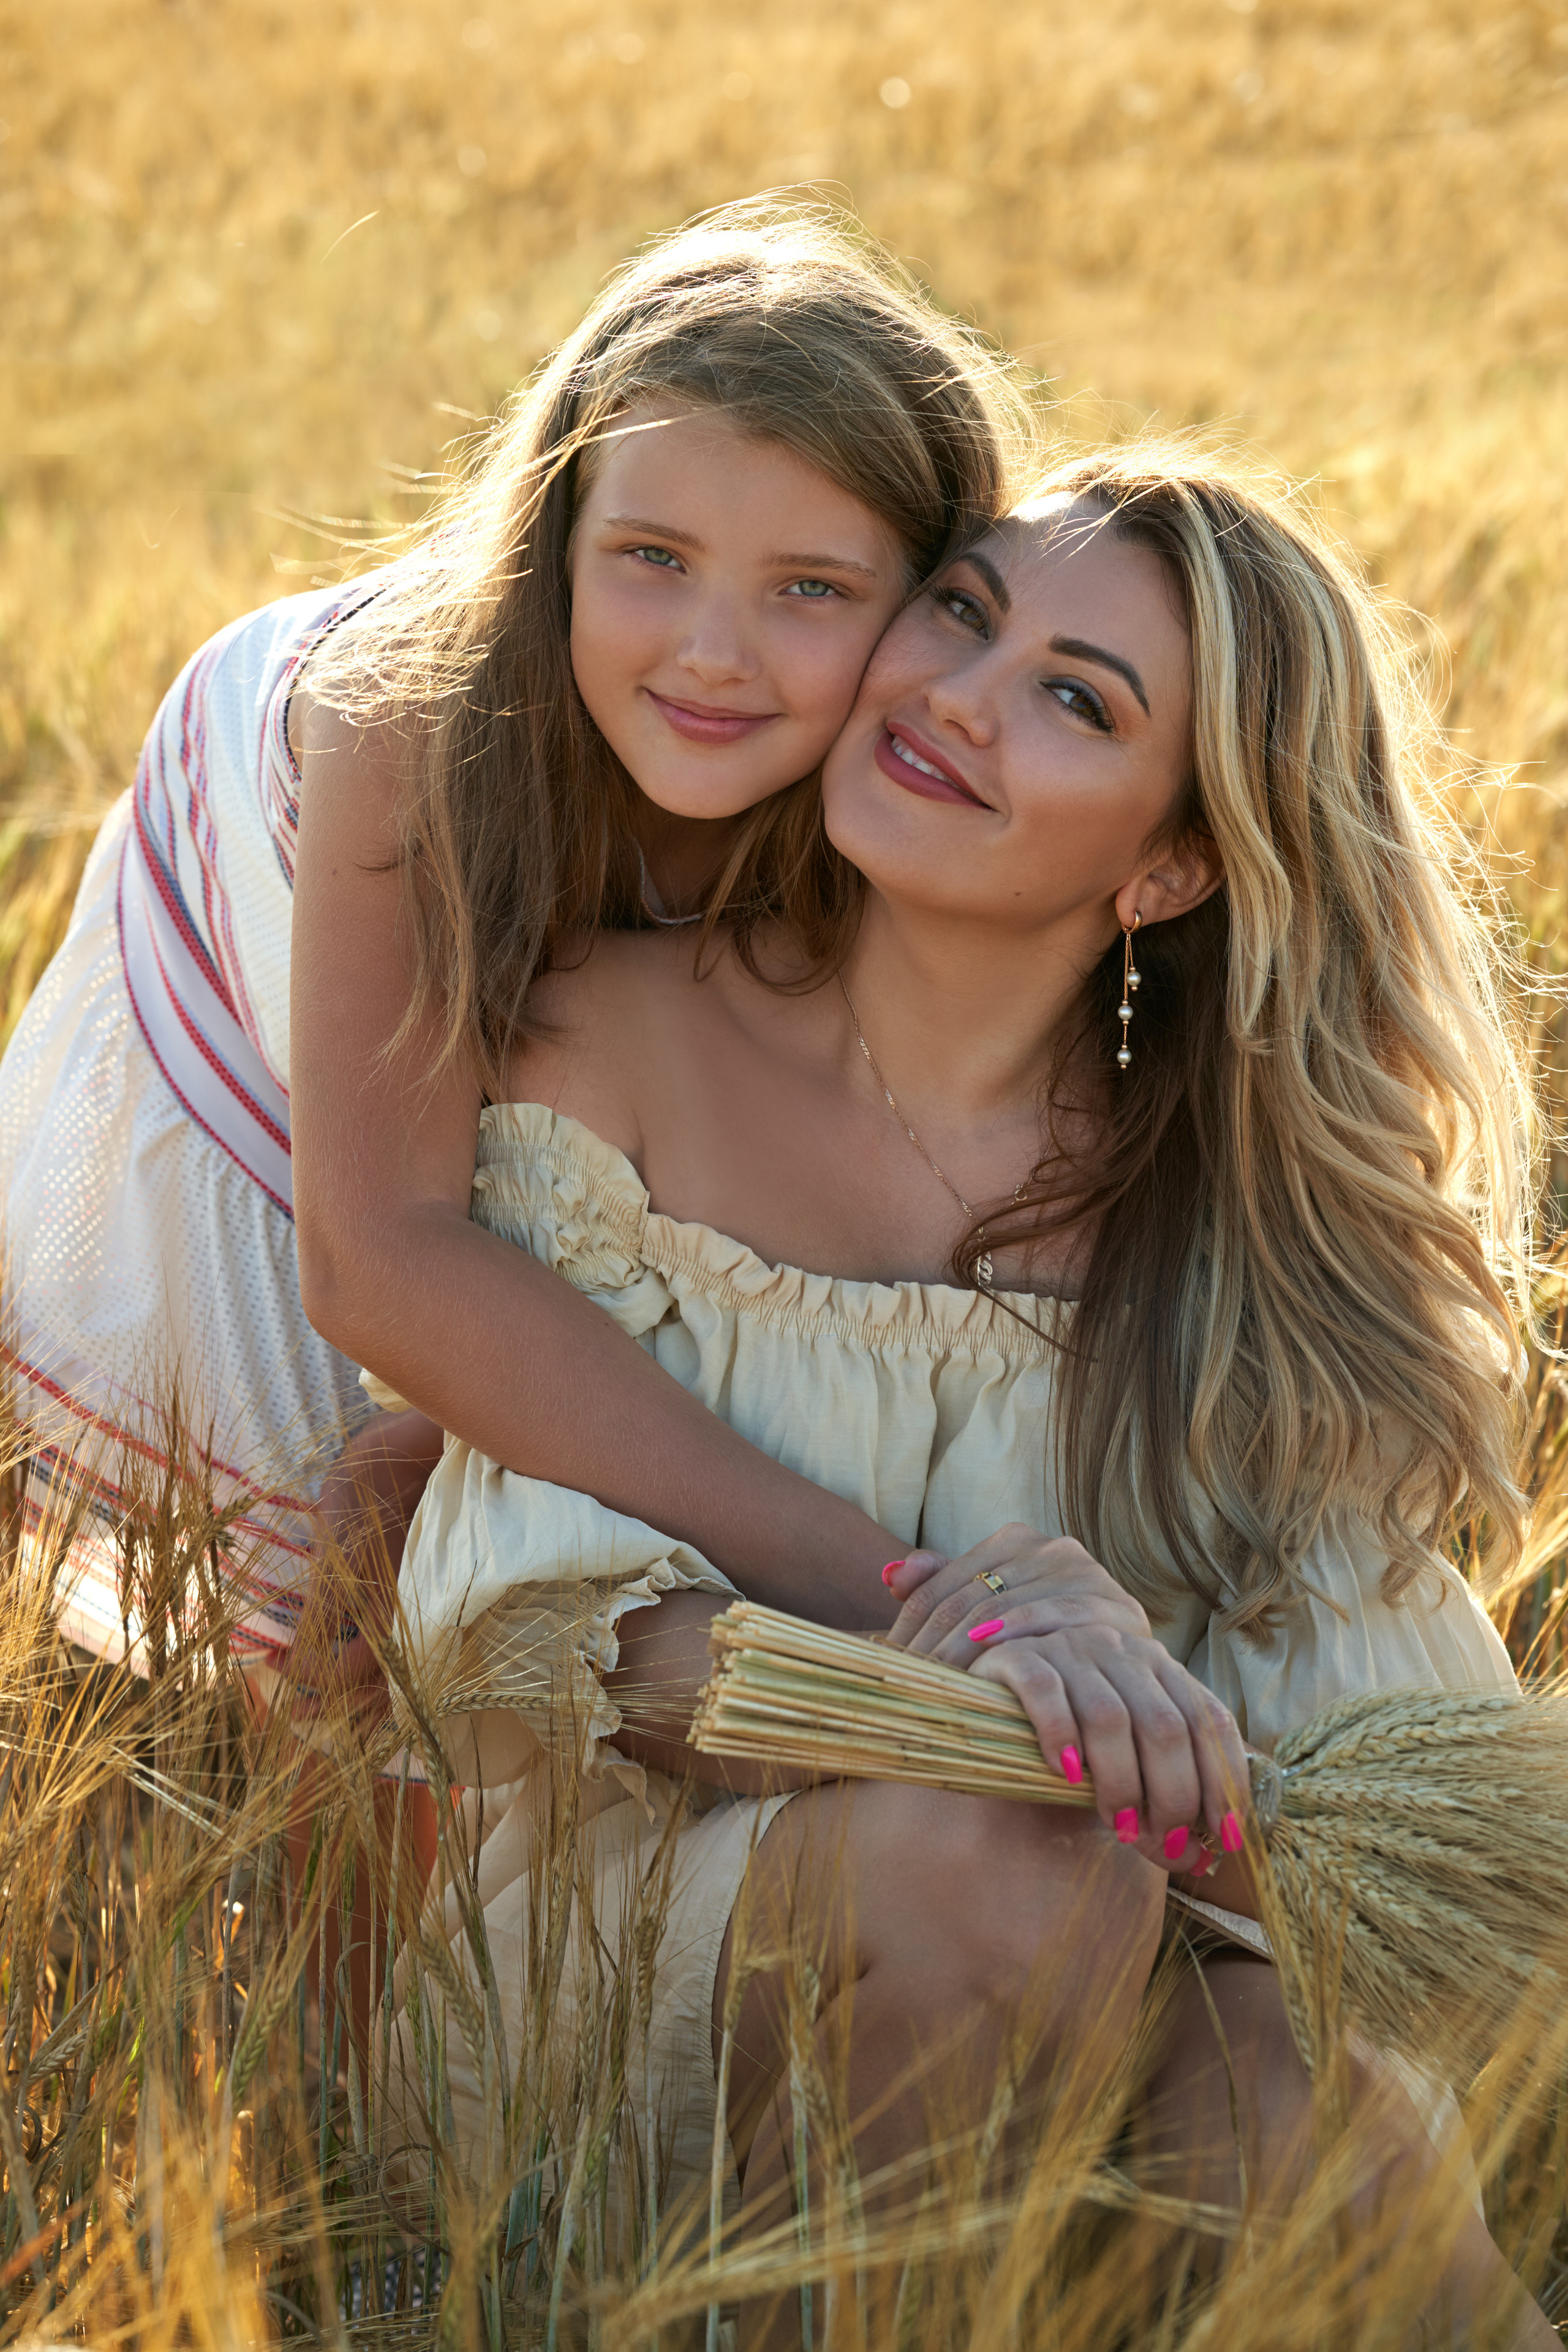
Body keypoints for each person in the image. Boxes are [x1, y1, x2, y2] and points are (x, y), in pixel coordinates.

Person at [377, 448, 1548, 2343]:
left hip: (1101, 1987)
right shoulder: (597, 1045)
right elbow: (545, 1658)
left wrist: (1147, 1757)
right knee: (1001, 1861)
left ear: (1172, 863)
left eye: (1076, 702)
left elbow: (1353, 1818)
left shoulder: (1231, 1250)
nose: (957, 699)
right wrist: (964, 1653)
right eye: (965, 613)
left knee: (1295, 2097)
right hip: (609, 1965)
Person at [0, 200, 1020, 1675]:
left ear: (927, 608)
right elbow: (381, 1268)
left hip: (510, 1113)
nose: (712, 653)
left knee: (507, 1468)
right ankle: (330, 1851)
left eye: (811, 588)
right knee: (360, 1521)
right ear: (556, 535)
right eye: (652, 556)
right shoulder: (408, 713)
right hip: (259, 984)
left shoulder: (890, 780)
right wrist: (879, 1584)